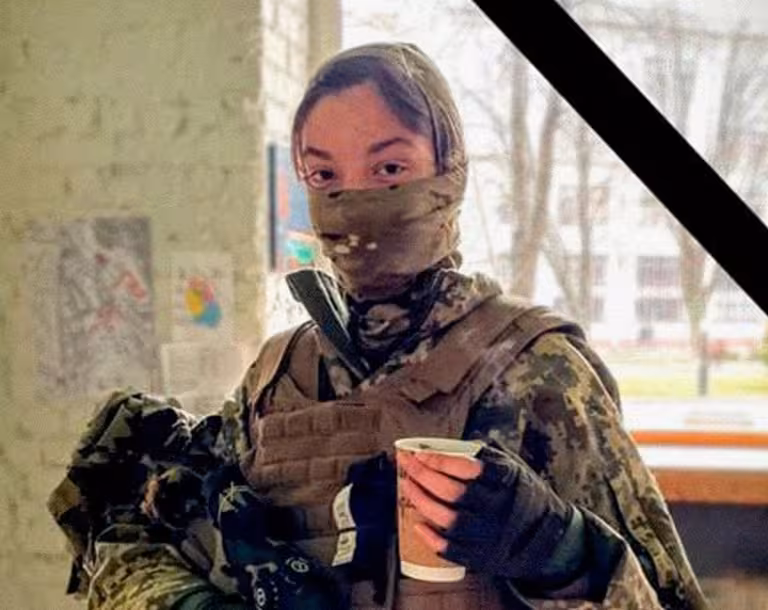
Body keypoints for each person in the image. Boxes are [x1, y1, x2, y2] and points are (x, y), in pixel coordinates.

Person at [49, 42, 710, 610]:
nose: (357, 203)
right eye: (325, 175)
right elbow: (137, 539)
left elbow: (661, 595)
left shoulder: (538, 373)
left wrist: (560, 551)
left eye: (390, 169)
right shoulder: (277, 377)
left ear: (449, 174)